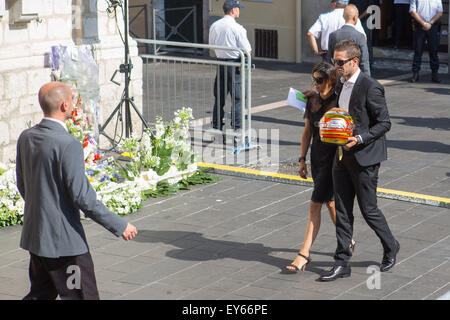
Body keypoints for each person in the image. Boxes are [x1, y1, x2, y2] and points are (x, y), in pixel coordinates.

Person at [16, 82, 138, 299]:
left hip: (36, 236)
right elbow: (83, 197)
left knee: (41, 293)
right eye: (72, 99)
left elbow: (23, 184)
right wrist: (120, 225)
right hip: (64, 245)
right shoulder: (68, 144)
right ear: (65, 105)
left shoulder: (27, 136)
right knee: (83, 296)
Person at [319, 40, 399, 282]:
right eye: (334, 61)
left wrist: (361, 138)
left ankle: (391, 245)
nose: (336, 66)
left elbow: (385, 123)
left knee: (368, 210)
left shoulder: (370, 86)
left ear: (354, 61)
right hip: (341, 155)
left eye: (340, 62)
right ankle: (342, 262)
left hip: (365, 157)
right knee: (342, 210)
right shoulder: (340, 84)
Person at [285, 62, 355, 274]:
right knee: (329, 202)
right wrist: (301, 159)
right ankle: (348, 239)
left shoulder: (340, 100)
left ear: (331, 81)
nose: (314, 83)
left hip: (336, 161)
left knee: (316, 204)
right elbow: (307, 132)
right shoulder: (312, 100)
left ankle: (304, 253)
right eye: (313, 78)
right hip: (317, 159)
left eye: (319, 80)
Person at [209, 0, 252, 132]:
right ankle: (237, 128)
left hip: (220, 63)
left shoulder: (214, 25)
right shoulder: (238, 28)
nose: (239, 10)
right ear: (233, 10)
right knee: (238, 99)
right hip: (234, 65)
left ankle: (216, 126)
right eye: (238, 8)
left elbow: (211, 47)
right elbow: (247, 50)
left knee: (219, 98)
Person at [328, 4, 371, 76]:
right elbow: (364, 61)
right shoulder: (360, 36)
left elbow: (330, 59)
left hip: (338, 75)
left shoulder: (333, 35)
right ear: (355, 17)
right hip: (354, 76)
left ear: (343, 16)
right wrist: (367, 82)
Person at [409, 0, 443, 83]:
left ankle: (435, 75)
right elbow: (412, 12)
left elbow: (440, 12)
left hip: (433, 26)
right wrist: (424, 23)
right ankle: (415, 74)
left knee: (434, 51)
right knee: (418, 50)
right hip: (420, 26)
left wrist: (430, 23)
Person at [349, 0, 379, 69]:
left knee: (366, 42)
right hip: (354, 20)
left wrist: (359, 18)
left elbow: (370, 9)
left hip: (365, 21)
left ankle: (369, 62)